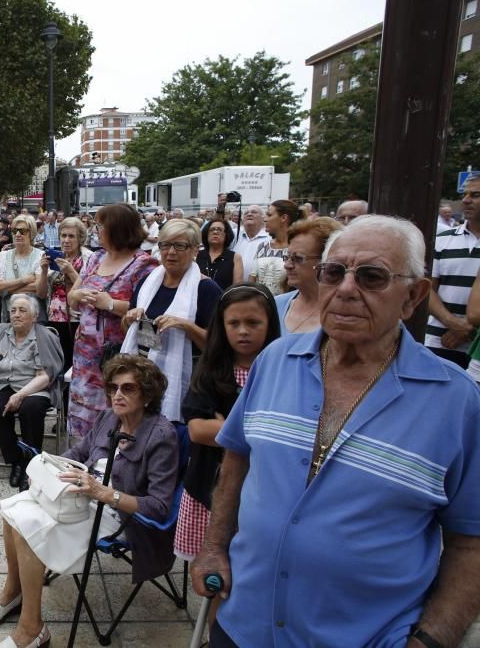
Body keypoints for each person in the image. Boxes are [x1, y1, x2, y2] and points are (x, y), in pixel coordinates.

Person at [192, 215, 480, 648]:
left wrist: (432, 639)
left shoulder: (455, 400)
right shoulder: (274, 362)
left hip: (367, 637)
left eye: (372, 277)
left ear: (414, 296)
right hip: (243, 623)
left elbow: (471, 541)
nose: (347, 289)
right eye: (333, 272)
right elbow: (237, 460)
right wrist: (214, 548)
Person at [0, 354, 178, 648]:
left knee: (28, 523)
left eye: (128, 388)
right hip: (80, 495)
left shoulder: (161, 435)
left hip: (117, 515)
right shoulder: (110, 416)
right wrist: (49, 469)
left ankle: (32, 629)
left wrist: (104, 493)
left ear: (147, 395)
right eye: (113, 388)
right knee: (14, 509)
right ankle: (13, 592)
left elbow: (159, 507)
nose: (117, 395)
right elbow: (80, 451)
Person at [174, 283, 279, 577]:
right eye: (234, 323)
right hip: (209, 486)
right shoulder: (211, 370)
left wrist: (225, 427)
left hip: (261, 491)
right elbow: (197, 430)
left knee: (253, 572)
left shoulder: (280, 370)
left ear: (270, 324)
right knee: (214, 576)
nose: (243, 330)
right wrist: (260, 431)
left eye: (253, 322)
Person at [67, 204, 155, 437]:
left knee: (114, 412)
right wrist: (76, 295)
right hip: (85, 353)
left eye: (101, 226)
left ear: (117, 229)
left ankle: (111, 463)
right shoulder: (95, 257)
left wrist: (109, 304)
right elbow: (72, 298)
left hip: (117, 355)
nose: (97, 230)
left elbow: (146, 309)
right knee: (83, 416)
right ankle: (83, 458)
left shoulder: (143, 264)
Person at [121, 219, 221, 423]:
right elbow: (128, 330)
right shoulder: (148, 282)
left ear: (195, 250)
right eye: (165, 245)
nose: (171, 252)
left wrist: (185, 325)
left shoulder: (206, 289)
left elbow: (217, 346)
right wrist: (129, 318)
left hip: (188, 380)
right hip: (142, 375)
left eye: (180, 245)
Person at [0, 294, 63, 489]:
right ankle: (17, 460)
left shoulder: (43, 336)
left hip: (34, 386)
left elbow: (46, 375)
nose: (16, 315)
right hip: (2, 384)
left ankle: (33, 464)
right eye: (13, 310)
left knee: (30, 409)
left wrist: (21, 395)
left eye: (22, 310)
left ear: (34, 316)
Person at [426, 175, 480, 369]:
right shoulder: (443, 239)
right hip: (440, 340)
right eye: (465, 194)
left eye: (475, 195)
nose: (466, 200)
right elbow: (427, 289)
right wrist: (454, 324)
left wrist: (469, 329)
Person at [35, 216, 92, 369]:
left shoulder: (88, 258)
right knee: (57, 364)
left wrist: (71, 272)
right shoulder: (55, 257)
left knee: (76, 364)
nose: (66, 240)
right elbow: (41, 294)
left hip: (79, 320)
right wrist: (44, 271)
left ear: (80, 238)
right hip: (54, 319)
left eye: (71, 236)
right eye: (63, 235)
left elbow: (91, 288)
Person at [274, 217, 343, 334]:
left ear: (325, 261)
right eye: (287, 257)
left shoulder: (342, 313)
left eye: (298, 258)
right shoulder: (276, 305)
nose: (287, 265)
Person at [0, 214, 44, 322]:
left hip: (34, 316)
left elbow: (38, 287)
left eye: (23, 231)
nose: (17, 234)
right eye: (14, 230)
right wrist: (24, 280)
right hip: (9, 315)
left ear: (32, 233)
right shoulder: (3, 256)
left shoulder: (40, 256)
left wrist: (8, 290)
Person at [248, 200, 303, 295]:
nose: (265, 219)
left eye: (269, 215)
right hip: (261, 305)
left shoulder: (298, 249)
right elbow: (252, 280)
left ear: (283, 218)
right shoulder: (263, 246)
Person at [196, 218, 243, 290]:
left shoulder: (235, 257)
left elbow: (237, 289)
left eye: (219, 229)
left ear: (226, 234)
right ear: (206, 234)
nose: (215, 232)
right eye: (212, 229)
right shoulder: (197, 255)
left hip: (224, 300)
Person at [229, 205, 269, 281]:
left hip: (259, 288)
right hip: (234, 288)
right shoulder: (234, 234)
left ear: (263, 218)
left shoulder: (269, 237)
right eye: (246, 213)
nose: (249, 214)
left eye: (254, 212)